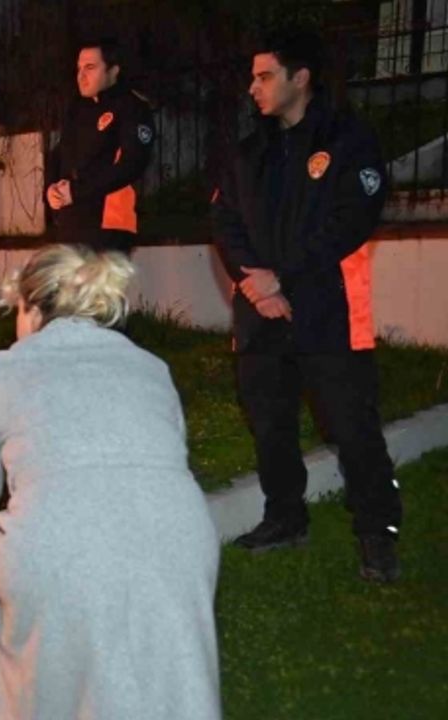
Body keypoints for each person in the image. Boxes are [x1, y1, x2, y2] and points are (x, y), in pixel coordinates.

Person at [0, 245, 220, 720]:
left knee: (24, 681)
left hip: (58, 552)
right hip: (179, 543)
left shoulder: (5, 372)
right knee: (160, 678)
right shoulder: (152, 369)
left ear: (30, 309)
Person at [211, 28, 401, 582]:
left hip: (328, 311)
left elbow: (351, 223)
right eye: (252, 77)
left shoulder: (349, 141)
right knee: (270, 423)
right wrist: (252, 283)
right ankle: (284, 518)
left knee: (351, 425)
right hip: (261, 313)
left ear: (301, 78)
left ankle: (378, 532)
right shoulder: (252, 152)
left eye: (265, 75)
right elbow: (224, 220)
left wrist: (282, 280)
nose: (253, 88)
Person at [45, 38, 155, 253]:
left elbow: (131, 165)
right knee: (67, 286)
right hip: (71, 221)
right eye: (78, 68)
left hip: (108, 225)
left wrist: (77, 191)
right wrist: (50, 190)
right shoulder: (77, 108)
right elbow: (59, 154)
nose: (81, 76)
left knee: (99, 286)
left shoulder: (131, 107)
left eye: (90, 67)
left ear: (113, 71)